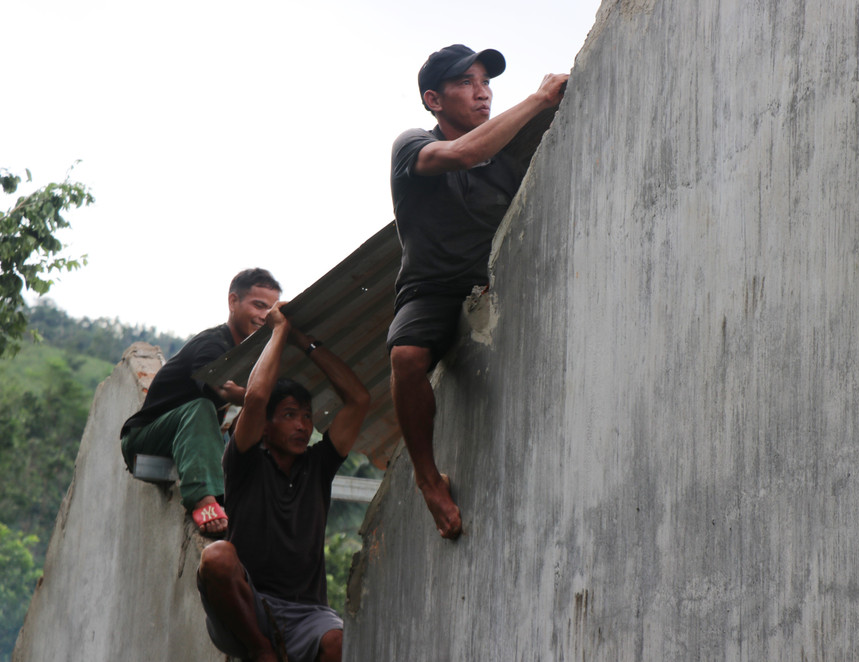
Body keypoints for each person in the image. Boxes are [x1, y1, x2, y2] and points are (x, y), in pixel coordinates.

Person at [387, 44, 569, 539]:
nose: (482, 92)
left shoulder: (506, 162)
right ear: (434, 99)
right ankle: (428, 480)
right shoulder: (413, 145)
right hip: (430, 288)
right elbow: (463, 153)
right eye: (466, 82)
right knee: (406, 355)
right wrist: (539, 99)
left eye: (486, 82)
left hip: (492, 283)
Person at [196, 302, 370, 662]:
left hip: (307, 612)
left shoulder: (318, 465)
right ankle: (262, 652)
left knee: (339, 644)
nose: (302, 425)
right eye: (290, 415)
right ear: (265, 426)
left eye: (306, 416)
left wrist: (304, 341)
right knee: (217, 557)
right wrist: (279, 331)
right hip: (248, 607)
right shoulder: (245, 462)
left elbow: (359, 399)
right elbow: (257, 397)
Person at [120, 268, 282, 537]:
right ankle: (203, 500)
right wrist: (261, 398)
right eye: (258, 305)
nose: (264, 315)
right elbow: (223, 389)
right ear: (233, 302)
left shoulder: (253, 357)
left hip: (191, 444)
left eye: (271, 309)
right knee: (202, 407)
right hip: (145, 438)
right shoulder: (212, 344)